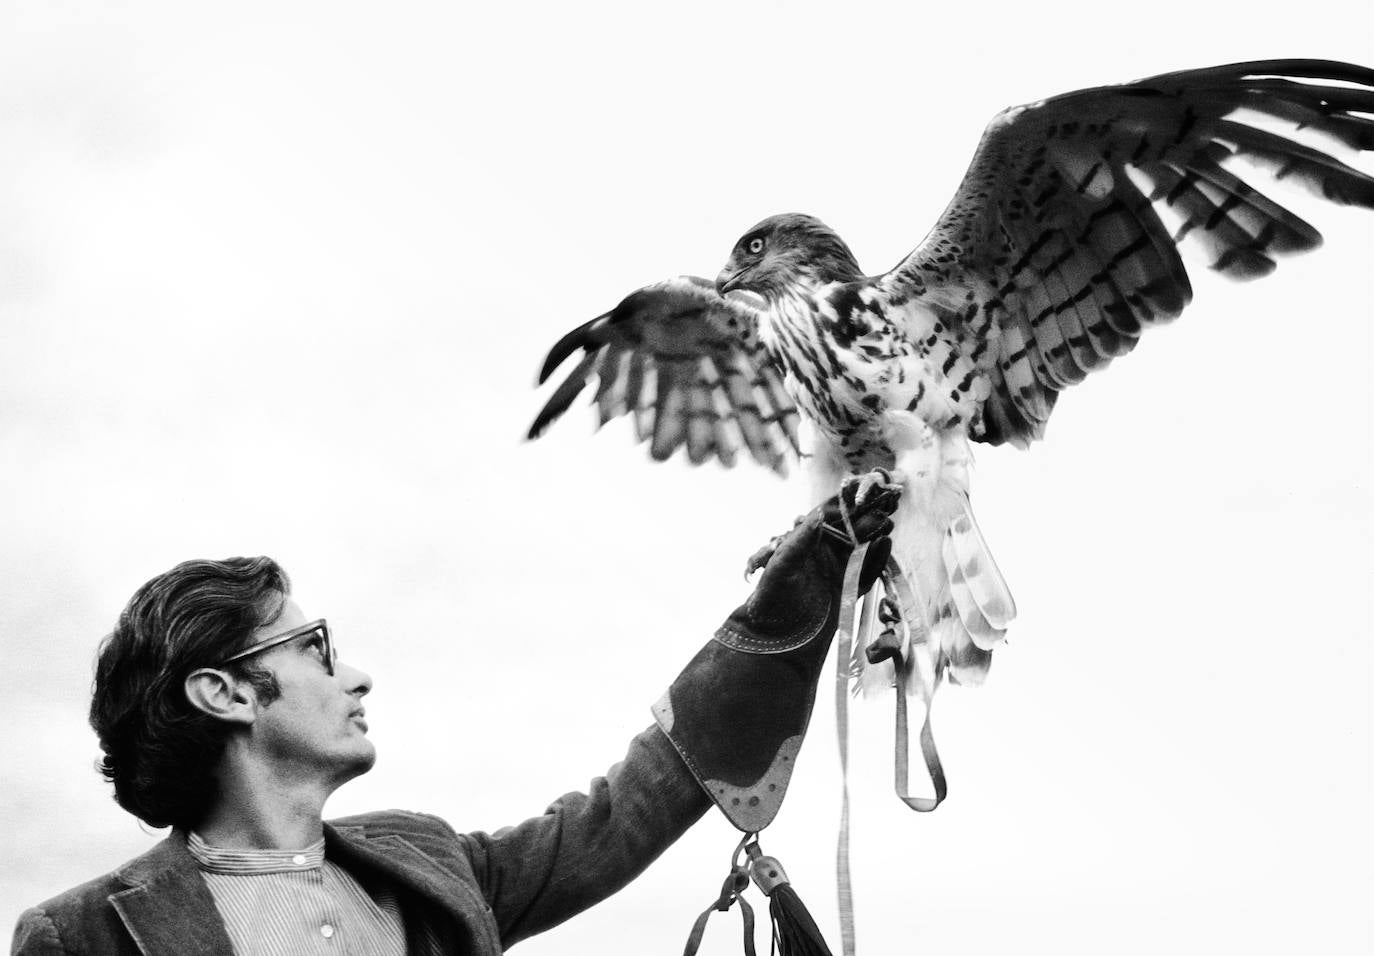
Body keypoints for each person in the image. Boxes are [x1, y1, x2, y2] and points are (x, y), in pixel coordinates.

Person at [11, 479, 899, 955]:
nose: (355, 677)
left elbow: (624, 811)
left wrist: (805, 585)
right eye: (314, 648)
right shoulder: (80, 939)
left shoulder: (428, 867)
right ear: (227, 692)